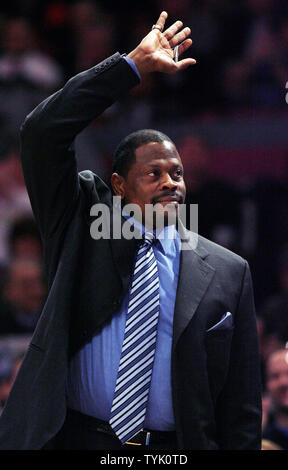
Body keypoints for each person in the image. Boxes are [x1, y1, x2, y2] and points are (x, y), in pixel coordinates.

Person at [0, 11, 262, 450]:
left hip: (173, 449)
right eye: (153, 172)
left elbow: (241, 406)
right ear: (118, 186)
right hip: (77, 440)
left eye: (176, 173)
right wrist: (130, 67)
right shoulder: (81, 225)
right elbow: (42, 132)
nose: (169, 182)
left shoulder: (228, 270)